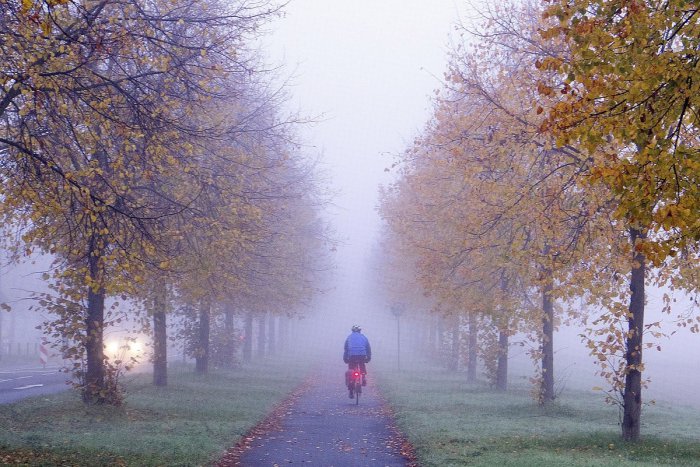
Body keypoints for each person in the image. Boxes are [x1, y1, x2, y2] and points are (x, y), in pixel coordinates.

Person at [343, 325, 371, 397]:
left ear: (352, 331)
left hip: (352, 355)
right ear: (360, 331)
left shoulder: (349, 337)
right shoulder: (364, 337)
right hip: (362, 355)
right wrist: (368, 358)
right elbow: (368, 348)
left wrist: (345, 358)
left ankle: (351, 390)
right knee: (362, 365)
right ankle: (363, 377)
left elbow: (346, 349)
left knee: (351, 370)